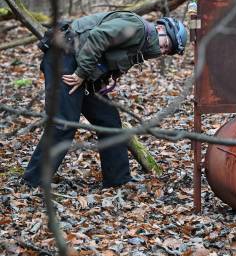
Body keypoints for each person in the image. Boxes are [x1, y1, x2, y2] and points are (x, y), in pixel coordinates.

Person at [22, 11, 188, 188]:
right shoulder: (136, 28)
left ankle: (118, 180)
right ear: (160, 28)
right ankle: (33, 180)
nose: (161, 50)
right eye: (165, 44)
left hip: (83, 68)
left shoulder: (142, 44)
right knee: (64, 123)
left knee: (109, 121)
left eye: (166, 51)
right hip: (65, 57)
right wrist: (81, 73)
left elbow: (107, 58)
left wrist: (92, 78)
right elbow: (98, 36)